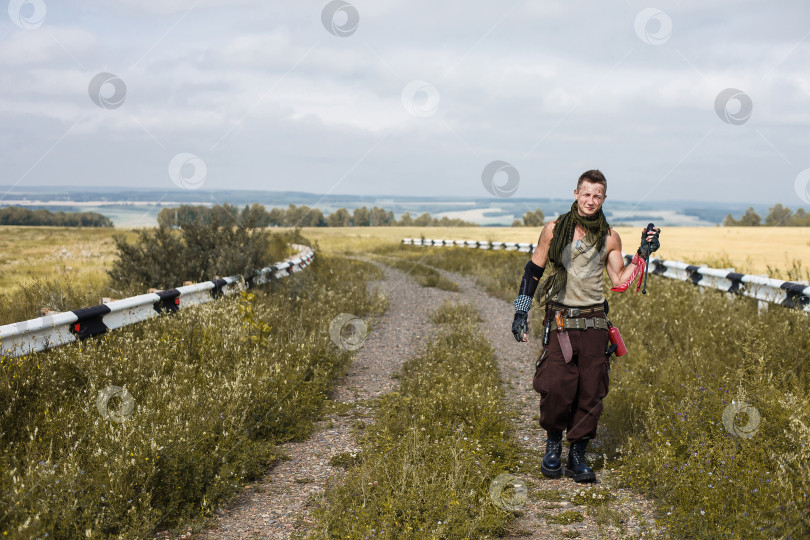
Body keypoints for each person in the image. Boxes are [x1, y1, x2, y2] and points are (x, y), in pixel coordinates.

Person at [511, 169, 660, 483]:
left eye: (598, 196)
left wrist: (642, 253)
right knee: (555, 387)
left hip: (594, 323)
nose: (591, 201)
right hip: (560, 321)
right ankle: (553, 446)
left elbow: (619, 280)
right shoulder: (552, 230)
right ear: (576, 194)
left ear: (604, 199)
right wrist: (521, 312)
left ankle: (578, 454)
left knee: (591, 391)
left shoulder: (609, 237)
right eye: (586, 194)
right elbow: (533, 270)